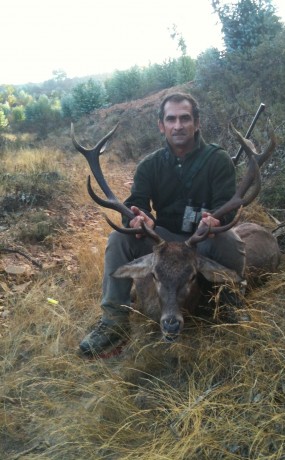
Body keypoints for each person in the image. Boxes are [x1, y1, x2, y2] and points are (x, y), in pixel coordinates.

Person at [79, 92, 245, 355]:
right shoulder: (150, 165)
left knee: (232, 242)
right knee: (120, 238)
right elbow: (137, 202)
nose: (178, 125)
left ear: (197, 122)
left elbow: (227, 203)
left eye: (184, 118)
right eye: (171, 119)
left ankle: (229, 304)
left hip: (201, 238)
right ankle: (114, 321)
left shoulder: (217, 160)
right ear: (161, 125)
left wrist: (216, 219)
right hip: (164, 241)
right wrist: (139, 217)